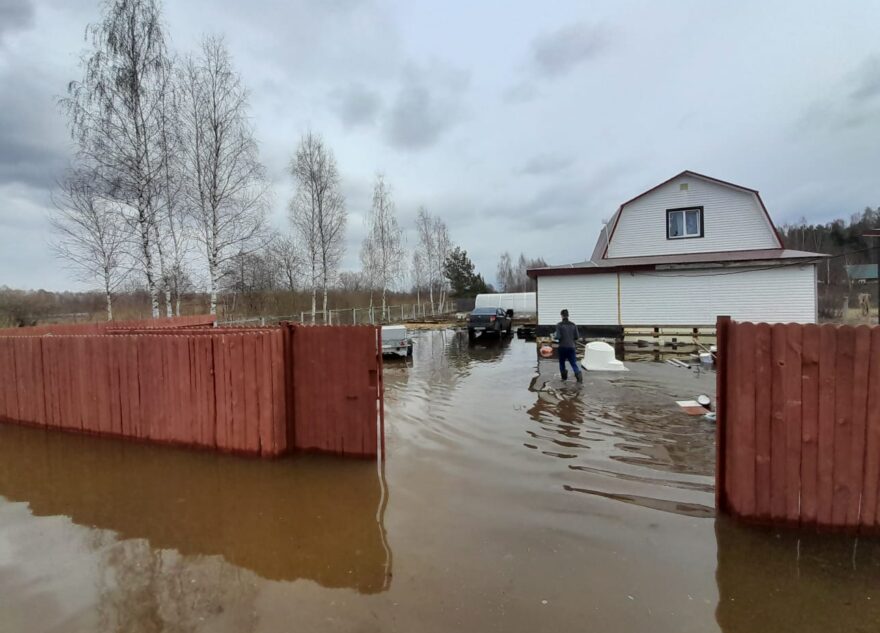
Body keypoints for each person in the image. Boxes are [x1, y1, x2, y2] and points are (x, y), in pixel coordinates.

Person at [555, 309, 582, 383]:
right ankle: (579, 378)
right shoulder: (573, 325)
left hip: (562, 347)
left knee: (562, 363)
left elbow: (558, 337)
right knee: (573, 363)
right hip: (571, 347)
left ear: (561, 316)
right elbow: (577, 337)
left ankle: (564, 378)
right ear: (568, 315)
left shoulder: (559, 325)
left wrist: (554, 336)